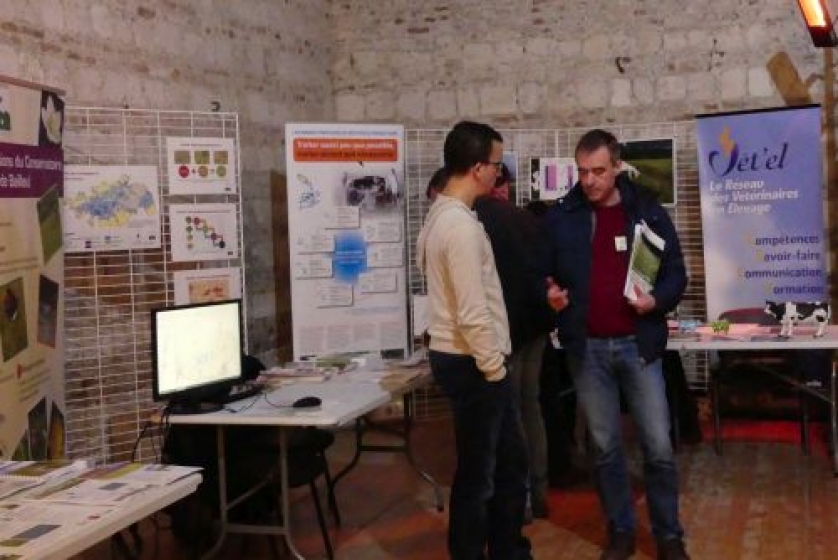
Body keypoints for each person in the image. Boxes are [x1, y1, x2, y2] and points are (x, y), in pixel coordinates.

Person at [543, 129, 690, 560]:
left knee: (658, 446)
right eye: (582, 172)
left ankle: (668, 535)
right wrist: (548, 292)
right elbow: (540, 271)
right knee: (605, 448)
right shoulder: (562, 216)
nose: (589, 181)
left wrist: (655, 301)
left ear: (618, 166)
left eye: (598, 171)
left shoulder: (647, 211)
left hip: (637, 345)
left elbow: (676, 274)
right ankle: (621, 531)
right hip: (587, 350)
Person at [416, 121, 531, 560]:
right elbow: (471, 311)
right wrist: (495, 368)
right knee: (482, 474)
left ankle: (507, 549)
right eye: (497, 165)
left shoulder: (442, 215)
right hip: (473, 361)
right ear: (478, 167)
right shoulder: (459, 226)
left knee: (503, 466)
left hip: (463, 357)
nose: (500, 175)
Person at [473, 162, 555, 519]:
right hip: (535, 326)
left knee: (511, 416)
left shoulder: (476, 219)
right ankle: (538, 491)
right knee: (530, 407)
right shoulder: (526, 219)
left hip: (507, 331)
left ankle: (519, 500)